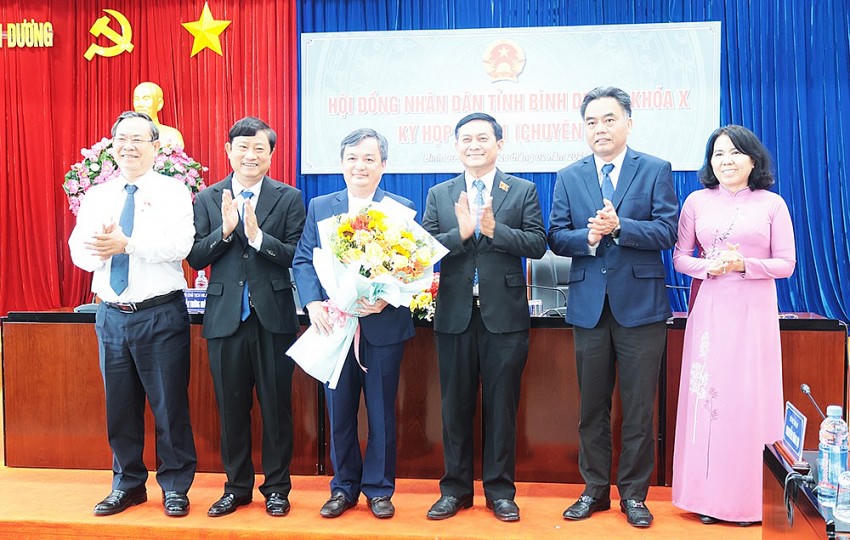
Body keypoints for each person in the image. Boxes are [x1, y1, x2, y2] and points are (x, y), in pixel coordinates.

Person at [548, 87, 678, 528]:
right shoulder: (569, 176)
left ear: (628, 122)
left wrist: (622, 227)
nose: (599, 129)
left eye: (608, 119)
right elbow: (556, 235)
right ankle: (594, 490)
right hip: (589, 308)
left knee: (639, 408)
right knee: (592, 408)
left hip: (640, 307)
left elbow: (667, 231)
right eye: (591, 122)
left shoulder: (655, 169)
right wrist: (587, 237)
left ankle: (635, 495)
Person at [69, 111, 197, 517]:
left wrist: (129, 244)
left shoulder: (174, 191)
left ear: (155, 147)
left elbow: (180, 245)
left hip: (159, 313)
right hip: (111, 315)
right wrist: (99, 249)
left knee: (169, 406)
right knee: (120, 408)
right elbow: (77, 250)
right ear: (112, 146)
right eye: (122, 139)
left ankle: (175, 486)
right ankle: (127, 484)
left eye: (138, 139)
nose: (129, 146)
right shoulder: (98, 195)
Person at [422, 112, 547, 522]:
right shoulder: (440, 193)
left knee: (501, 407)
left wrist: (496, 230)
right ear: (457, 146)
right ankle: (455, 490)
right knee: (454, 407)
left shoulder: (522, 190)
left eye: (482, 138)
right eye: (466, 139)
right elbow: (423, 249)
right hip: (454, 315)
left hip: (505, 317)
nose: (474, 145)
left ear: (499, 144)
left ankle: (500, 492)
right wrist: (459, 234)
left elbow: (538, 243)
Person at [671, 125, 795, 525]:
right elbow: (680, 258)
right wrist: (708, 267)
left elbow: (786, 264)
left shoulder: (772, 204)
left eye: (735, 153)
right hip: (710, 310)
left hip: (754, 313)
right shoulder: (696, 202)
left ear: (753, 160)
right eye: (718, 153)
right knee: (710, 403)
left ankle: (750, 502)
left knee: (749, 399)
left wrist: (745, 264)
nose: (726, 160)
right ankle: (706, 499)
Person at [292, 128, 415, 519]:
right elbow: (303, 259)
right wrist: (312, 302)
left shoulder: (400, 208)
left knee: (381, 412)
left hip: (383, 326)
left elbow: (414, 267)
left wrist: (387, 297)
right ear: (342, 163)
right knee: (339, 412)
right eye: (352, 158)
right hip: (335, 324)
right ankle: (343, 487)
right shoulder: (321, 206)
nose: (359, 166)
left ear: (383, 165)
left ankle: (379, 489)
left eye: (368, 159)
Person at [187, 117, 306, 517]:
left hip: (273, 318)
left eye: (259, 148)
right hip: (225, 319)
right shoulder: (208, 198)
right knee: (231, 409)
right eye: (242, 147)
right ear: (228, 151)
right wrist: (225, 231)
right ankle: (236, 487)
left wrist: (257, 237)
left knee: (276, 408)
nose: (250, 155)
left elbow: (295, 255)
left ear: (271, 155)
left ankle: (277, 488)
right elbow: (195, 257)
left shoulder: (288, 197)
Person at [133, 81, 185, 149]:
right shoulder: (125, 135)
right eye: (136, 99)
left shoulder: (172, 136)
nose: (140, 104)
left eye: (146, 99)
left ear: (160, 104)